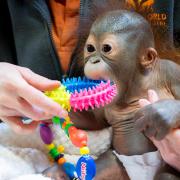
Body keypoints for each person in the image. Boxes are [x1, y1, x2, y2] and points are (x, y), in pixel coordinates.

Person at [0, 0, 179, 172]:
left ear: (147, 58)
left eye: (107, 49)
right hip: (121, 162)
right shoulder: (108, 95)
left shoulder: (166, 73)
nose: (93, 59)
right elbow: (92, 120)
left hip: (168, 164)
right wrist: (51, 106)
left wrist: (174, 110)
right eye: (91, 49)